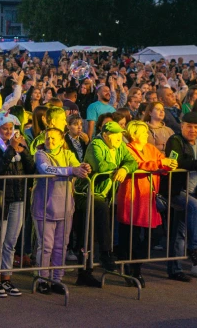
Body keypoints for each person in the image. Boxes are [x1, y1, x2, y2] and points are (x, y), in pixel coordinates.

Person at [75, 121, 138, 286]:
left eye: (120, 135)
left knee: (89, 232)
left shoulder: (120, 146)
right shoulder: (95, 145)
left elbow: (133, 161)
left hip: (104, 195)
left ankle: (85, 272)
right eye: (115, 135)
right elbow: (100, 165)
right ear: (105, 135)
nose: (119, 138)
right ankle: (105, 253)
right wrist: (119, 167)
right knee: (91, 225)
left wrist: (124, 169)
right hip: (86, 193)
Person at [117, 120, 177, 287]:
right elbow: (134, 165)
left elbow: (162, 162)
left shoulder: (151, 148)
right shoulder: (127, 148)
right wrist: (160, 164)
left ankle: (135, 265)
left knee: (155, 234)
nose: (147, 134)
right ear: (134, 134)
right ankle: (133, 270)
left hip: (149, 196)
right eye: (143, 132)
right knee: (131, 235)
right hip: (133, 195)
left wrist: (169, 165)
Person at [0, 112, 34, 297]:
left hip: (18, 197)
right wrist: (10, 150)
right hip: (0, 199)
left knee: (11, 242)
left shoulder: (19, 145)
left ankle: (7, 278)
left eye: (11, 129)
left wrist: (24, 151)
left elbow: (32, 168)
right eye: (4, 128)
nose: (8, 132)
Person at [33, 128, 90, 294]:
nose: (50, 141)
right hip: (45, 206)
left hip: (65, 207)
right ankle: (43, 279)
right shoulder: (41, 154)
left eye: (53, 138)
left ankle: (57, 279)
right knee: (46, 247)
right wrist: (72, 171)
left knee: (60, 246)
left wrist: (83, 167)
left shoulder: (67, 153)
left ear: (61, 139)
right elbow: (46, 169)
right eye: (47, 138)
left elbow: (76, 165)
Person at [163, 112, 197, 281]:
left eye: (195, 127)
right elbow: (177, 163)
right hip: (177, 191)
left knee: (180, 231)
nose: (192, 130)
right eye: (189, 126)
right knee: (194, 207)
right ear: (182, 126)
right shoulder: (175, 141)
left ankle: (176, 269)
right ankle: (194, 252)